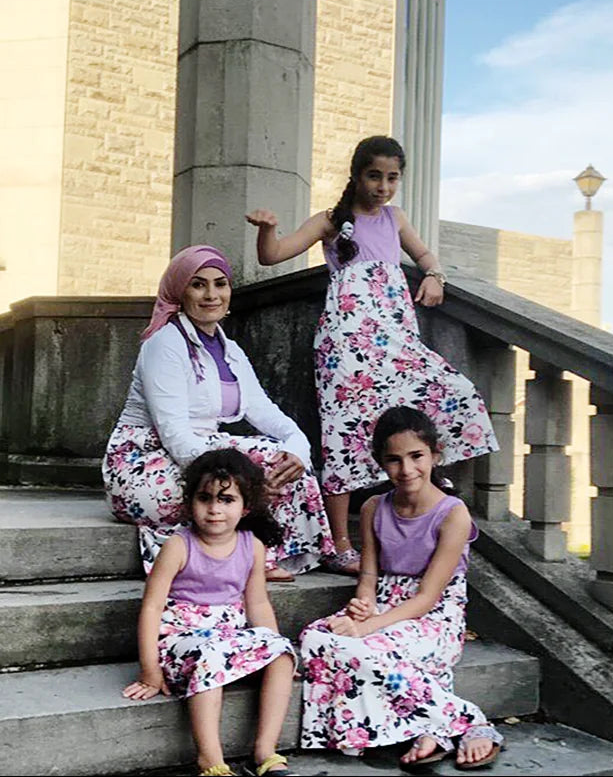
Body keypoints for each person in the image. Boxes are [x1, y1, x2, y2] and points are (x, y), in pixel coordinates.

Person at [246, 135, 497, 575]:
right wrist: (268, 229)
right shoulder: (332, 220)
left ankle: (429, 483)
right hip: (345, 345)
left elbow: (422, 253)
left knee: (454, 393)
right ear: (357, 175)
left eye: (392, 178)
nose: (383, 186)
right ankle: (340, 542)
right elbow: (274, 256)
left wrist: (434, 274)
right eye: (375, 176)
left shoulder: (395, 219)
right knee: (344, 434)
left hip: (395, 339)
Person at [103, 244, 334, 581]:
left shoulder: (231, 351)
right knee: (224, 490)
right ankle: (231, 556)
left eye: (220, 284)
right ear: (179, 292)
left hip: (204, 448)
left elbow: (267, 413)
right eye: (198, 284)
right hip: (143, 460)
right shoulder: (164, 343)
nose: (211, 294)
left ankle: (266, 552)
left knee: (285, 463)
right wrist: (241, 477)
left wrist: (298, 449)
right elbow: (175, 436)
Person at [298, 406, 503, 770]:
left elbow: (427, 598)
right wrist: (363, 606)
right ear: (380, 462)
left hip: (433, 616)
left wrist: (366, 627)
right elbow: (369, 577)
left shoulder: (452, 513)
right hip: (384, 605)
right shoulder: (375, 507)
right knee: (317, 638)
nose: (406, 470)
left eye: (416, 456)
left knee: (369, 651)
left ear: (435, 455)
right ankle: (430, 727)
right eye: (394, 460)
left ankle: (468, 719)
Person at [122, 448, 297, 777]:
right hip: (182, 643)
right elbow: (152, 607)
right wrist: (149, 669)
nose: (215, 509)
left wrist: (271, 647)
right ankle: (212, 763)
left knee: (283, 653)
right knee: (212, 656)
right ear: (191, 503)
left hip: (228, 637)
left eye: (227, 499)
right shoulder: (179, 545)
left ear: (245, 506)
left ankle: (265, 754)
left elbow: (257, 603)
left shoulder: (252, 546)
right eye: (205, 498)